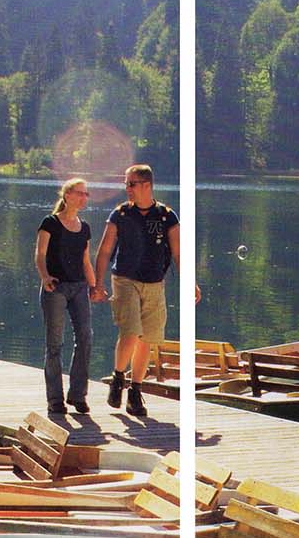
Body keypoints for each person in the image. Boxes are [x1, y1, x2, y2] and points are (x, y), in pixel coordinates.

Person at [92, 164, 188, 419]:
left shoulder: (166, 216)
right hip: (125, 279)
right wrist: (98, 283)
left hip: (155, 282)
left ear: (147, 185)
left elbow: (178, 253)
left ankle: (135, 391)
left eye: (131, 184)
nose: (127, 189)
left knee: (148, 338)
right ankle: (118, 377)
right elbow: (104, 250)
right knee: (131, 331)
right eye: (126, 184)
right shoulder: (121, 214)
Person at [34, 177, 97, 417]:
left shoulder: (85, 227)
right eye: (80, 193)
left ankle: (77, 395)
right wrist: (45, 276)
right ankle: (55, 400)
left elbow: (85, 261)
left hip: (79, 287)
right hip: (56, 288)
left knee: (85, 337)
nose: (83, 198)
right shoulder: (50, 223)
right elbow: (40, 254)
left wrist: (95, 286)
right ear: (67, 195)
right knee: (54, 344)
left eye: (86, 194)